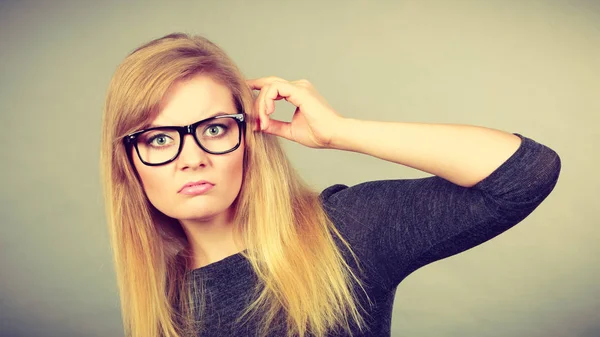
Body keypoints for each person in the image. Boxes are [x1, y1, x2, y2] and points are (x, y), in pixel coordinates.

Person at [99, 32, 561, 337]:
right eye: (160, 139)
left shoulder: (341, 234)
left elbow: (525, 172)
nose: (192, 158)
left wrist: (340, 131)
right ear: (128, 163)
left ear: (248, 136)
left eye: (215, 128)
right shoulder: (163, 302)